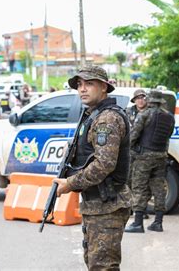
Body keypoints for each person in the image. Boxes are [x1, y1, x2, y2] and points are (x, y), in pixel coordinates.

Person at [54, 66, 132, 270]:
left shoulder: (107, 118)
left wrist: (70, 183)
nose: (82, 89)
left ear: (104, 87)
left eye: (89, 83)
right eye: (79, 85)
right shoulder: (94, 115)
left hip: (108, 204)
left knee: (103, 266)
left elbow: (104, 164)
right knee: (95, 262)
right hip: (98, 204)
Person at [125, 90, 175, 233]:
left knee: (139, 187)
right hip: (161, 156)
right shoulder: (169, 117)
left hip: (144, 157)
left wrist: (129, 150)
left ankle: (138, 223)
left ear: (149, 100)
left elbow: (133, 135)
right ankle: (158, 223)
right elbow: (168, 136)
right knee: (159, 188)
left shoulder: (145, 114)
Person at [126, 89, 151, 219]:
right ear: (134, 100)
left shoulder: (150, 112)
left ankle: (142, 209)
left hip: (146, 151)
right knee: (128, 180)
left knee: (143, 182)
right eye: (138, 98)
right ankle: (129, 208)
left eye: (142, 97)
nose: (140, 100)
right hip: (131, 150)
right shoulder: (129, 112)